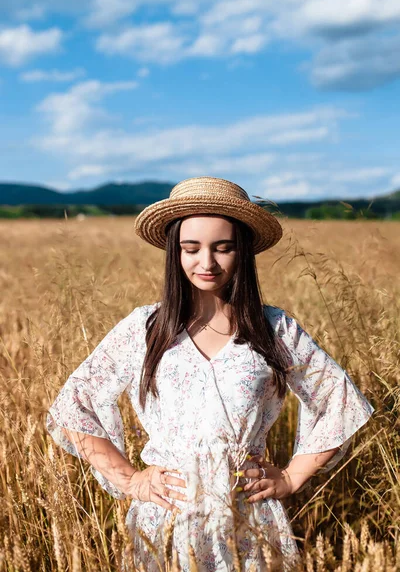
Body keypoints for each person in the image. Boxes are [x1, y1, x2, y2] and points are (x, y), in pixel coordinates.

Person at [47, 176, 374, 571]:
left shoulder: (274, 329)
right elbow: (73, 404)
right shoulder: (144, 328)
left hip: (248, 522)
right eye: (191, 248)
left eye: (223, 248)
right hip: (165, 521)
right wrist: (131, 480)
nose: (207, 262)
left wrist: (290, 478)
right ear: (175, 252)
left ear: (243, 252)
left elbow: (339, 399)